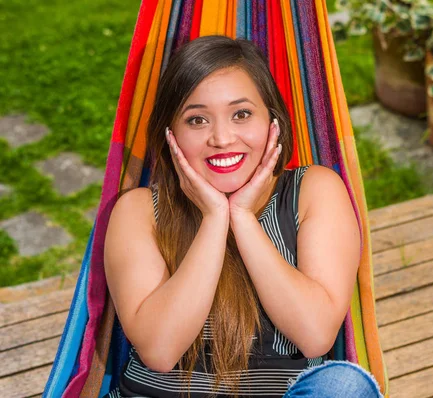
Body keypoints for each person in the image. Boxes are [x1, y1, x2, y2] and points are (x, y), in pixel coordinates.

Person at [103, 35, 383, 398]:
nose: (221, 138)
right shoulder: (140, 211)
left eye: (241, 114)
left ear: (273, 121)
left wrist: (245, 219)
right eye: (197, 119)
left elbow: (315, 335)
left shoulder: (313, 191)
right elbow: (159, 350)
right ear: (171, 134)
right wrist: (214, 218)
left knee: (344, 385)